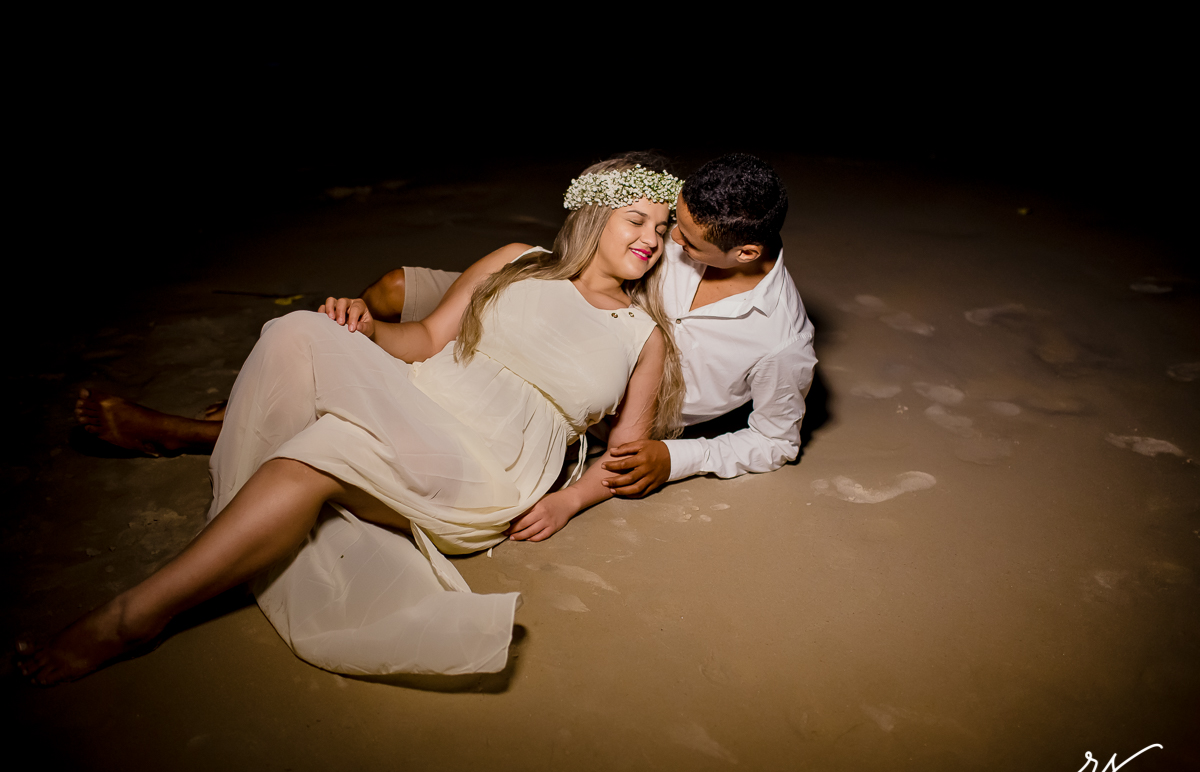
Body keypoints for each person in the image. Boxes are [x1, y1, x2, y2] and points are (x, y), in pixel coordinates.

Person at [20, 156, 685, 684]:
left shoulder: (642, 334)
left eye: (661, 230)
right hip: (413, 400)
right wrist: (366, 327)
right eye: (637, 220)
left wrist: (567, 501)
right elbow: (424, 339)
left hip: (484, 466)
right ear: (595, 216)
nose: (650, 239)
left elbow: (624, 453)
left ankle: (132, 617)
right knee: (298, 330)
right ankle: (239, 520)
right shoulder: (515, 263)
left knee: (313, 457)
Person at [76, 154, 816, 517]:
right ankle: (291, 384)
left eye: (686, 238)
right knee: (393, 291)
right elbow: (619, 222)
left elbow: (775, 441)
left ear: (744, 252)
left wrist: (675, 456)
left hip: (594, 365)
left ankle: (205, 429)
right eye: (671, 224)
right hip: (560, 289)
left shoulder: (780, 344)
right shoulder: (689, 223)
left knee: (429, 382)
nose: (672, 243)